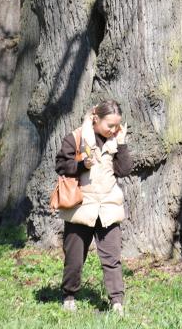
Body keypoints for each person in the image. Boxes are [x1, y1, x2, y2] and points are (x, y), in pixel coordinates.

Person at [55, 100, 132, 315]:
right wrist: (81, 165)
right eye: (110, 125)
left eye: (117, 125)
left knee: (112, 258)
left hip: (108, 206)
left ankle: (116, 301)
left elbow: (124, 170)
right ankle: (69, 296)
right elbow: (60, 165)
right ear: (96, 119)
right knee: (74, 259)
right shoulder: (76, 137)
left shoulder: (116, 140)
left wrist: (122, 145)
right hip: (81, 207)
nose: (113, 130)